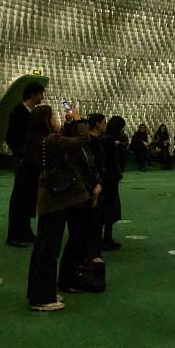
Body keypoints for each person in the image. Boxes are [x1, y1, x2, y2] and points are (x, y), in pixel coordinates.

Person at [26, 105, 90, 311]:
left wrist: (69, 125)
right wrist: (79, 121)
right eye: (52, 116)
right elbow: (82, 140)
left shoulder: (41, 140)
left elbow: (65, 142)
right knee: (49, 250)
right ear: (46, 121)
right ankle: (43, 298)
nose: (56, 119)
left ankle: (40, 292)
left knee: (43, 248)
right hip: (56, 200)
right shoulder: (51, 141)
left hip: (48, 199)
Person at [57, 111, 105, 294]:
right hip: (78, 200)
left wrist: (98, 184)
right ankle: (66, 280)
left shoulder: (86, 149)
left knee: (82, 240)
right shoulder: (71, 151)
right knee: (76, 240)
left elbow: (93, 169)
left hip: (88, 196)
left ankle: (76, 276)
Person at [6, 81, 45, 247]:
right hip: (24, 160)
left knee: (29, 196)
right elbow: (11, 137)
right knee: (19, 197)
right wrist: (21, 154)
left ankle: (25, 230)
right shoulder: (18, 112)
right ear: (33, 94)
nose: (42, 97)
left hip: (33, 160)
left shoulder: (33, 112)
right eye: (40, 94)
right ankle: (14, 234)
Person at [94, 115, 125, 250]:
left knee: (105, 209)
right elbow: (111, 162)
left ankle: (104, 238)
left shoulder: (104, 138)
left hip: (106, 178)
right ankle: (106, 239)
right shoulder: (110, 140)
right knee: (108, 209)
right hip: (110, 179)